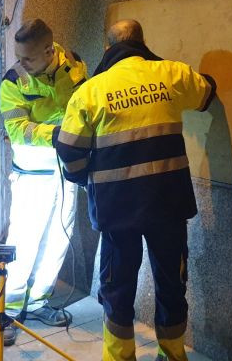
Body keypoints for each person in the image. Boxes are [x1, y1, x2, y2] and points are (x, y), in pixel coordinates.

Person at [54, 19, 216, 361]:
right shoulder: (172, 73)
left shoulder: (91, 90)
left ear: (108, 48)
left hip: (117, 209)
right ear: (142, 42)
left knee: (117, 285)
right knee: (172, 281)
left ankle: (119, 355)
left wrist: (86, 179)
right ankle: (172, 353)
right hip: (168, 204)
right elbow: (206, 93)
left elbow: (68, 150)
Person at [0, 18, 88, 345]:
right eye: (18, 57)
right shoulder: (14, 81)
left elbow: (83, 105)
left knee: (59, 237)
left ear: (50, 50)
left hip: (67, 170)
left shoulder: (74, 65)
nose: (20, 64)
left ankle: (38, 300)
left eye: (28, 58)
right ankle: (8, 311)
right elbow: (17, 130)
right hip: (32, 174)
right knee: (25, 240)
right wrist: (61, 135)